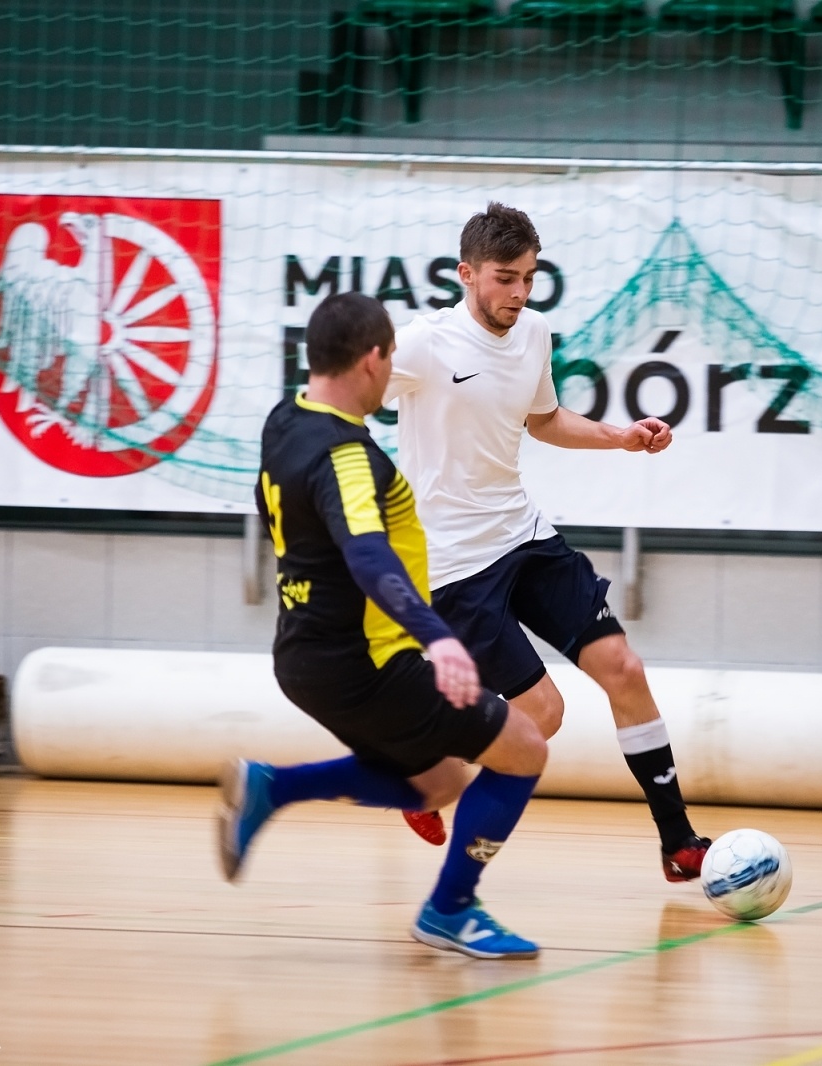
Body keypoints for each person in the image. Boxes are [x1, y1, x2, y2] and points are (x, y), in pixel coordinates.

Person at [384, 202, 711, 882]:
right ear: (466, 273)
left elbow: (544, 419)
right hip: (452, 565)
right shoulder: (422, 345)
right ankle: (426, 785)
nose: (519, 293)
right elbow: (343, 392)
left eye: (530, 278)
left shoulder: (534, 333)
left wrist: (618, 436)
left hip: (523, 536)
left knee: (623, 667)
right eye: (505, 278)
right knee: (542, 715)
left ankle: (678, 844)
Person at [218, 291, 549, 960]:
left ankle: (272, 787)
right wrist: (440, 640)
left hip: (303, 657)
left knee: (442, 782)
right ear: (372, 360)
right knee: (525, 748)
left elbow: (269, 500)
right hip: (368, 661)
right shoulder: (346, 456)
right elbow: (368, 555)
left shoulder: (285, 421)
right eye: (391, 357)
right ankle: (450, 911)